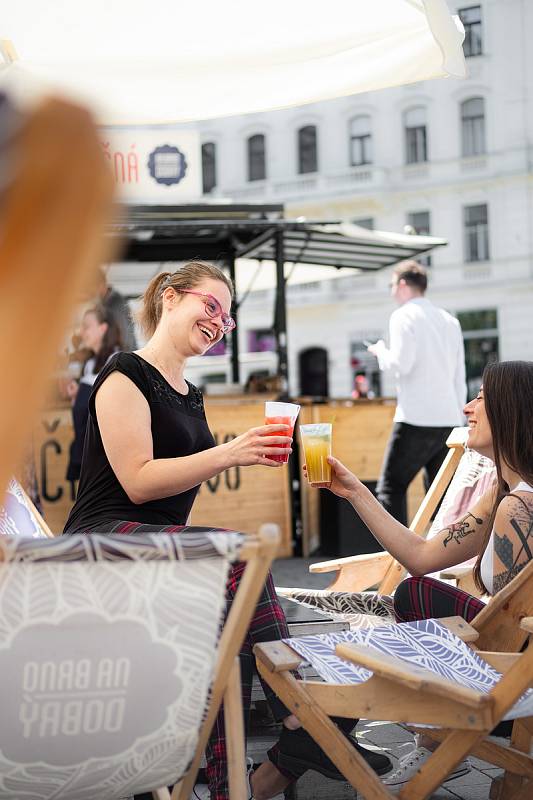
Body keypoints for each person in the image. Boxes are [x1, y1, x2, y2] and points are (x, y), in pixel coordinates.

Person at [62, 260, 391, 800]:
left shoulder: (190, 394)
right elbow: (140, 484)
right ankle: (300, 719)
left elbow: (175, 514)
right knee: (239, 555)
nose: (219, 322)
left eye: (228, 316)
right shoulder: (124, 372)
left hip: (152, 558)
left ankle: (231, 781)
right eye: (211, 305)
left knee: (221, 621)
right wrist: (231, 453)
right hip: (100, 546)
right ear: (170, 297)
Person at [317, 359, 533, 789]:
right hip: (513, 664)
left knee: (416, 596)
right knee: (416, 590)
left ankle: (438, 739)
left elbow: (514, 626)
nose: (468, 408)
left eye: (480, 399)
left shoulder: (516, 507)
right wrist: (356, 492)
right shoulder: (504, 495)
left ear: (510, 410)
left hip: (513, 686)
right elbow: (421, 554)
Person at [368, 261, 466, 526]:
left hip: (416, 417)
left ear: (401, 284)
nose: (391, 290)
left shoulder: (402, 315)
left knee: (390, 489)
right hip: (449, 419)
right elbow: (460, 375)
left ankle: (394, 563)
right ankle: (443, 561)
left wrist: (380, 352)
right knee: (441, 496)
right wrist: (462, 420)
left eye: (391, 284)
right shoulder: (450, 320)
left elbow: (401, 363)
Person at [66, 304, 124, 483]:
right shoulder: (90, 364)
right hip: (87, 453)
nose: (82, 332)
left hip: (106, 459)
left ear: (103, 328)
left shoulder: (116, 361)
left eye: (86, 326)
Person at [95, 266, 138, 351]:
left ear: (101, 284)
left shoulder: (115, 304)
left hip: (124, 357)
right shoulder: (104, 303)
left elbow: (125, 337)